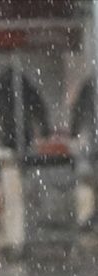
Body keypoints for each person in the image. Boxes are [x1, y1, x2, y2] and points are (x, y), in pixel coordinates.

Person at [0, 66, 50, 153]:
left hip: (7, 135)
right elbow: (40, 111)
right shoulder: (26, 92)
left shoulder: (0, 95)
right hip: (23, 135)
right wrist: (45, 131)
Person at [71, 77, 98, 230]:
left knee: (86, 184)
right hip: (90, 150)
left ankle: (85, 219)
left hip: (89, 150)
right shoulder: (88, 89)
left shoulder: (87, 89)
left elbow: (76, 117)